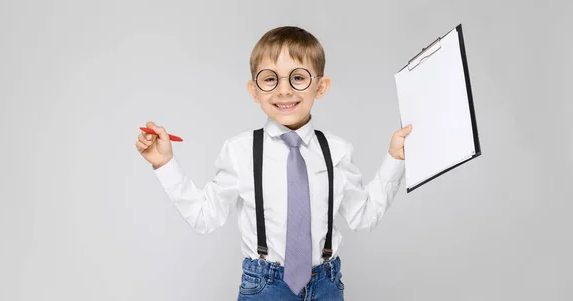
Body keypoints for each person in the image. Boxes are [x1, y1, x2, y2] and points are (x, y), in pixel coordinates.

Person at [135, 26, 412, 301]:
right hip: (265, 287)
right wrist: (165, 164)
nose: (284, 90)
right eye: (270, 80)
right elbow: (205, 217)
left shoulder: (338, 150)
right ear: (254, 90)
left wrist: (395, 159)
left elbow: (363, 216)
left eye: (298, 78)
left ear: (321, 86)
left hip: (326, 285)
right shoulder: (240, 151)